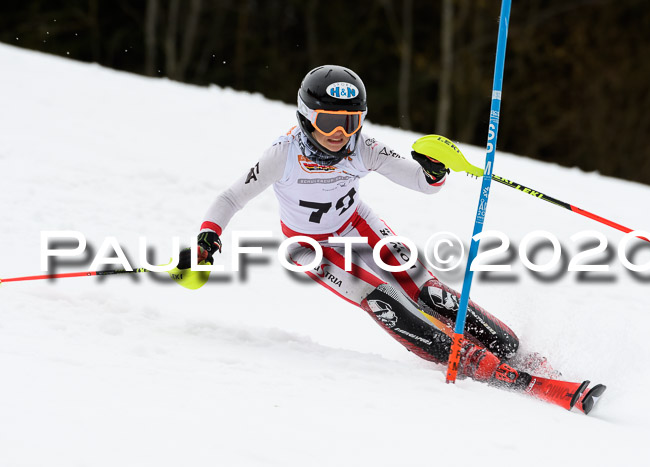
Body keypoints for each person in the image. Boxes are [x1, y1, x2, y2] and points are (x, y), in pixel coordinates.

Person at [181, 65, 551, 390]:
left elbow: (422, 183)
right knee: (382, 299)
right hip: (310, 248)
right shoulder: (283, 154)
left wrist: (435, 171)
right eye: (329, 121)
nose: (340, 133)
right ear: (307, 117)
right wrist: (208, 236)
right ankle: (469, 360)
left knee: (429, 292)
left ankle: (508, 349)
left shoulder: (364, 147)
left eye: (350, 121)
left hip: (359, 226)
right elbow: (230, 198)